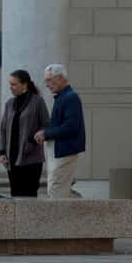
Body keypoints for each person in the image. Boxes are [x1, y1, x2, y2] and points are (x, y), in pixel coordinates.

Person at [34, 64, 87, 199]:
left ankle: (58, 220)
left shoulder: (70, 97)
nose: (46, 84)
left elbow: (71, 126)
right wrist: (45, 133)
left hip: (64, 151)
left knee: (56, 191)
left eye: (49, 80)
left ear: (60, 78)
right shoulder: (63, 97)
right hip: (59, 150)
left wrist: (46, 133)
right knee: (57, 191)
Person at [0, 69, 49, 198]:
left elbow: (46, 125)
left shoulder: (38, 102)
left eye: (14, 84)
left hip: (31, 158)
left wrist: (33, 139)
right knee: (15, 195)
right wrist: (2, 152)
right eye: (10, 84)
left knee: (29, 196)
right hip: (12, 158)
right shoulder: (9, 104)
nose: (11, 87)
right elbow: (3, 129)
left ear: (24, 85)